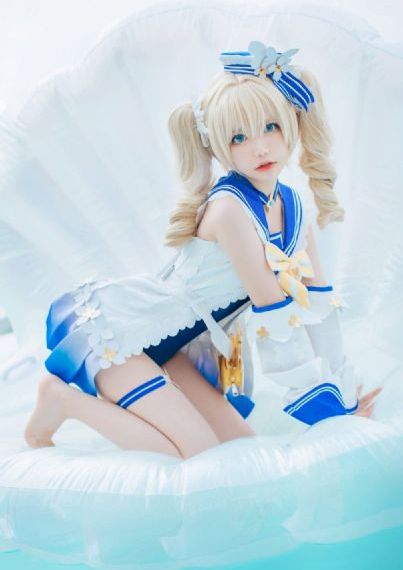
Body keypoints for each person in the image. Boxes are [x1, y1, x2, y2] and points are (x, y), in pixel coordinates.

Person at [24, 40, 381, 460]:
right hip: (124, 338)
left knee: (240, 453)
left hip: (178, 350)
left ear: (292, 123)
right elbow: (275, 312)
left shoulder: (293, 205)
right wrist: (327, 413)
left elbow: (318, 306)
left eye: (270, 127)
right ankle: (63, 400)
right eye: (239, 137)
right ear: (217, 146)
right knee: (197, 455)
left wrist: (344, 397)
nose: (260, 147)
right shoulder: (230, 209)